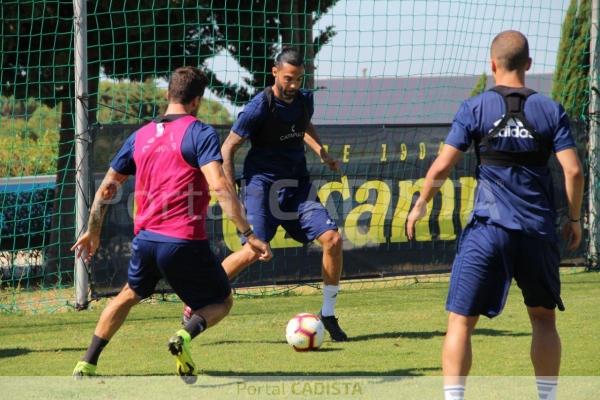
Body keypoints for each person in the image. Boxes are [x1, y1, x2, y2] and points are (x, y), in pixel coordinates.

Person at [406, 31, 584, 400]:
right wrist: (573, 219)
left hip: (489, 231)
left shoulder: (475, 108)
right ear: (530, 65)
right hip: (537, 231)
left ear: (492, 65)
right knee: (543, 319)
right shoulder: (551, 109)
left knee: (460, 322)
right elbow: (574, 172)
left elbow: (441, 168)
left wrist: (421, 203)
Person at [71, 66, 272, 377]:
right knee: (221, 301)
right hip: (182, 241)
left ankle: (87, 362)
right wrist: (248, 233)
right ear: (197, 101)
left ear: (168, 95)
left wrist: (92, 230)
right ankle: (184, 335)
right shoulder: (199, 132)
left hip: (146, 241)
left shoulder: (140, 136)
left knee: (127, 295)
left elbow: (108, 187)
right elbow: (219, 186)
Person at [183, 47, 348, 341]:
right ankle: (198, 298)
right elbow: (228, 148)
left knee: (333, 239)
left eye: (299, 79)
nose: (294, 85)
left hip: (298, 189)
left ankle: (329, 314)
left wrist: (322, 152)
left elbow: (303, 124)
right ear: (275, 72)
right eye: (288, 78)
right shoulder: (260, 106)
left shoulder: (304, 100)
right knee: (252, 250)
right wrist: (231, 190)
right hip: (263, 189)